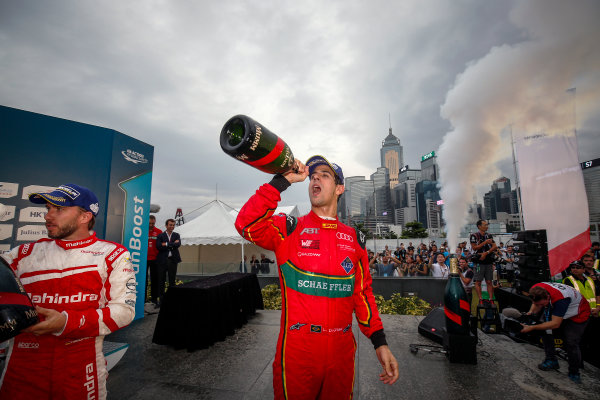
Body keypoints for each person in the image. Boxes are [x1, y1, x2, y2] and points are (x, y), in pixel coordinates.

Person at [235, 155, 398, 399]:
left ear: (339, 188)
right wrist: (282, 181)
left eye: (324, 175)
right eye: (312, 176)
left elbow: (362, 295)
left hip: (342, 355)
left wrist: (380, 342)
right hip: (297, 354)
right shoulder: (289, 228)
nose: (315, 179)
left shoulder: (355, 239)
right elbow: (246, 224)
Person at [0, 184, 136, 399]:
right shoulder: (22, 254)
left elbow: (123, 312)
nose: (48, 216)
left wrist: (66, 322)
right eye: (47, 209)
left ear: (85, 217)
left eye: (59, 209)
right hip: (22, 369)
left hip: (81, 369)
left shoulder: (112, 254)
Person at [521, 282, 590, 383]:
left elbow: (555, 324)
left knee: (571, 341)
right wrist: (530, 313)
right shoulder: (536, 289)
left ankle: (574, 372)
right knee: (544, 330)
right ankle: (551, 359)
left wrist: (532, 327)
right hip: (560, 306)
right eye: (538, 304)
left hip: (578, 314)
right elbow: (535, 303)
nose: (540, 306)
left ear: (548, 297)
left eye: (542, 304)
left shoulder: (560, 300)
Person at [470, 220, 498, 305]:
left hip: (488, 260)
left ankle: (490, 299)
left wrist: (486, 253)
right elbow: (474, 248)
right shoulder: (474, 236)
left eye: (487, 225)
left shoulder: (489, 235)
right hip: (479, 261)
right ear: (479, 226)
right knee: (478, 281)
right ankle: (481, 299)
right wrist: (485, 242)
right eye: (485, 225)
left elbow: (495, 246)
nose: (487, 226)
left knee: (489, 281)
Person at [156, 218, 181, 303]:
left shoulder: (177, 235)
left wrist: (166, 244)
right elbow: (159, 246)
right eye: (170, 225)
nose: (172, 226)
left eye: (173, 225)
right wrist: (172, 244)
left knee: (172, 281)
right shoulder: (160, 235)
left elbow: (178, 244)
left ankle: (171, 300)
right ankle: (161, 301)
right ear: (166, 225)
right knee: (161, 281)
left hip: (172, 260)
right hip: (162, 261)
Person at [147, 215, 162, 308]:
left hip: (155, 260)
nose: (151, 225)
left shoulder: (159, 232)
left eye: (153, 223)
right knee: (143, 280)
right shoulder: (142, 231)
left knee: (155, 280)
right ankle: (143, 299)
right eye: (150, 223)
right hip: (144, 260)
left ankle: (154, 299)